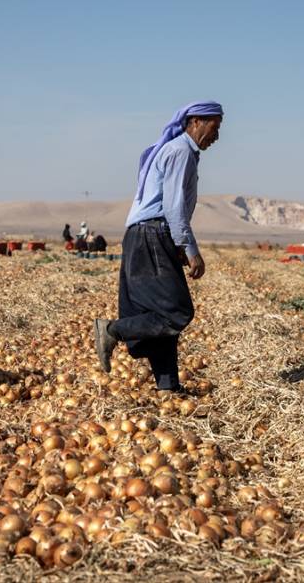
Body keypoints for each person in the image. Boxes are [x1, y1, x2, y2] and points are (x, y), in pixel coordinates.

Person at [94, 101, 224, 392]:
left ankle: (168, 387)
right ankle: (111, 330)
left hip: (144, 236)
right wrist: (190, 249)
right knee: (176, 311)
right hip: (152, 235)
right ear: (195, 122)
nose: (217, 137)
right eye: (214, 128)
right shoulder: (180, 152)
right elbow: (174, 206)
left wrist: (175, 244)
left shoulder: (178, 151)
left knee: (157, 312)